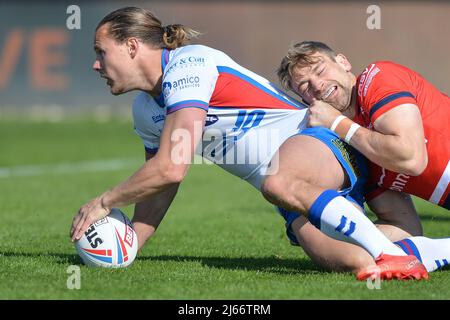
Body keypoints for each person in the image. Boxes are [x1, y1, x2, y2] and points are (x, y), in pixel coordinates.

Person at [69, 7, 428, 281]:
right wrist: (131, 244)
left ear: (132, 46)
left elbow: (172, 165)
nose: (96, 64)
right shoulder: (144, 110)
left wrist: (105, 201)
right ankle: (422, 252)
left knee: (289, 192)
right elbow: (160, 183)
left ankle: (388, 247)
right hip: (293, 191)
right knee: (353, 261)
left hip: (320, 146)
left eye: (102, 51)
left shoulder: (189, 66)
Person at [277, 40, 450, 273]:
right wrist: (320, 225)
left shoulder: (378, 77)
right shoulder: (357, 148)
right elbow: (405, 226)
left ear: (343, 62)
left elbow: (412, 159)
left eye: (320, 70)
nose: (317, 85)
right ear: (307, 101)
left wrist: (336, 123)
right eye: (305, 86)